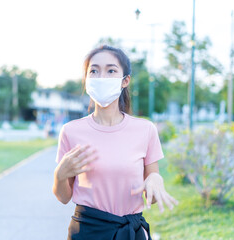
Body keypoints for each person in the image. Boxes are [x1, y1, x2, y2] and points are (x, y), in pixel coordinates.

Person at [53, 45, 179, 240]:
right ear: (86, 80)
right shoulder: (71, 131)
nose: (102, 77)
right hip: (87, 232)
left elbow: (151, 197)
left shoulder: (145, 130)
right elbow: (63, 197)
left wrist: (156, 180)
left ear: (125, 80)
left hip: (130, 232)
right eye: (94, 71)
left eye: (111, 70)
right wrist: (59, 176)